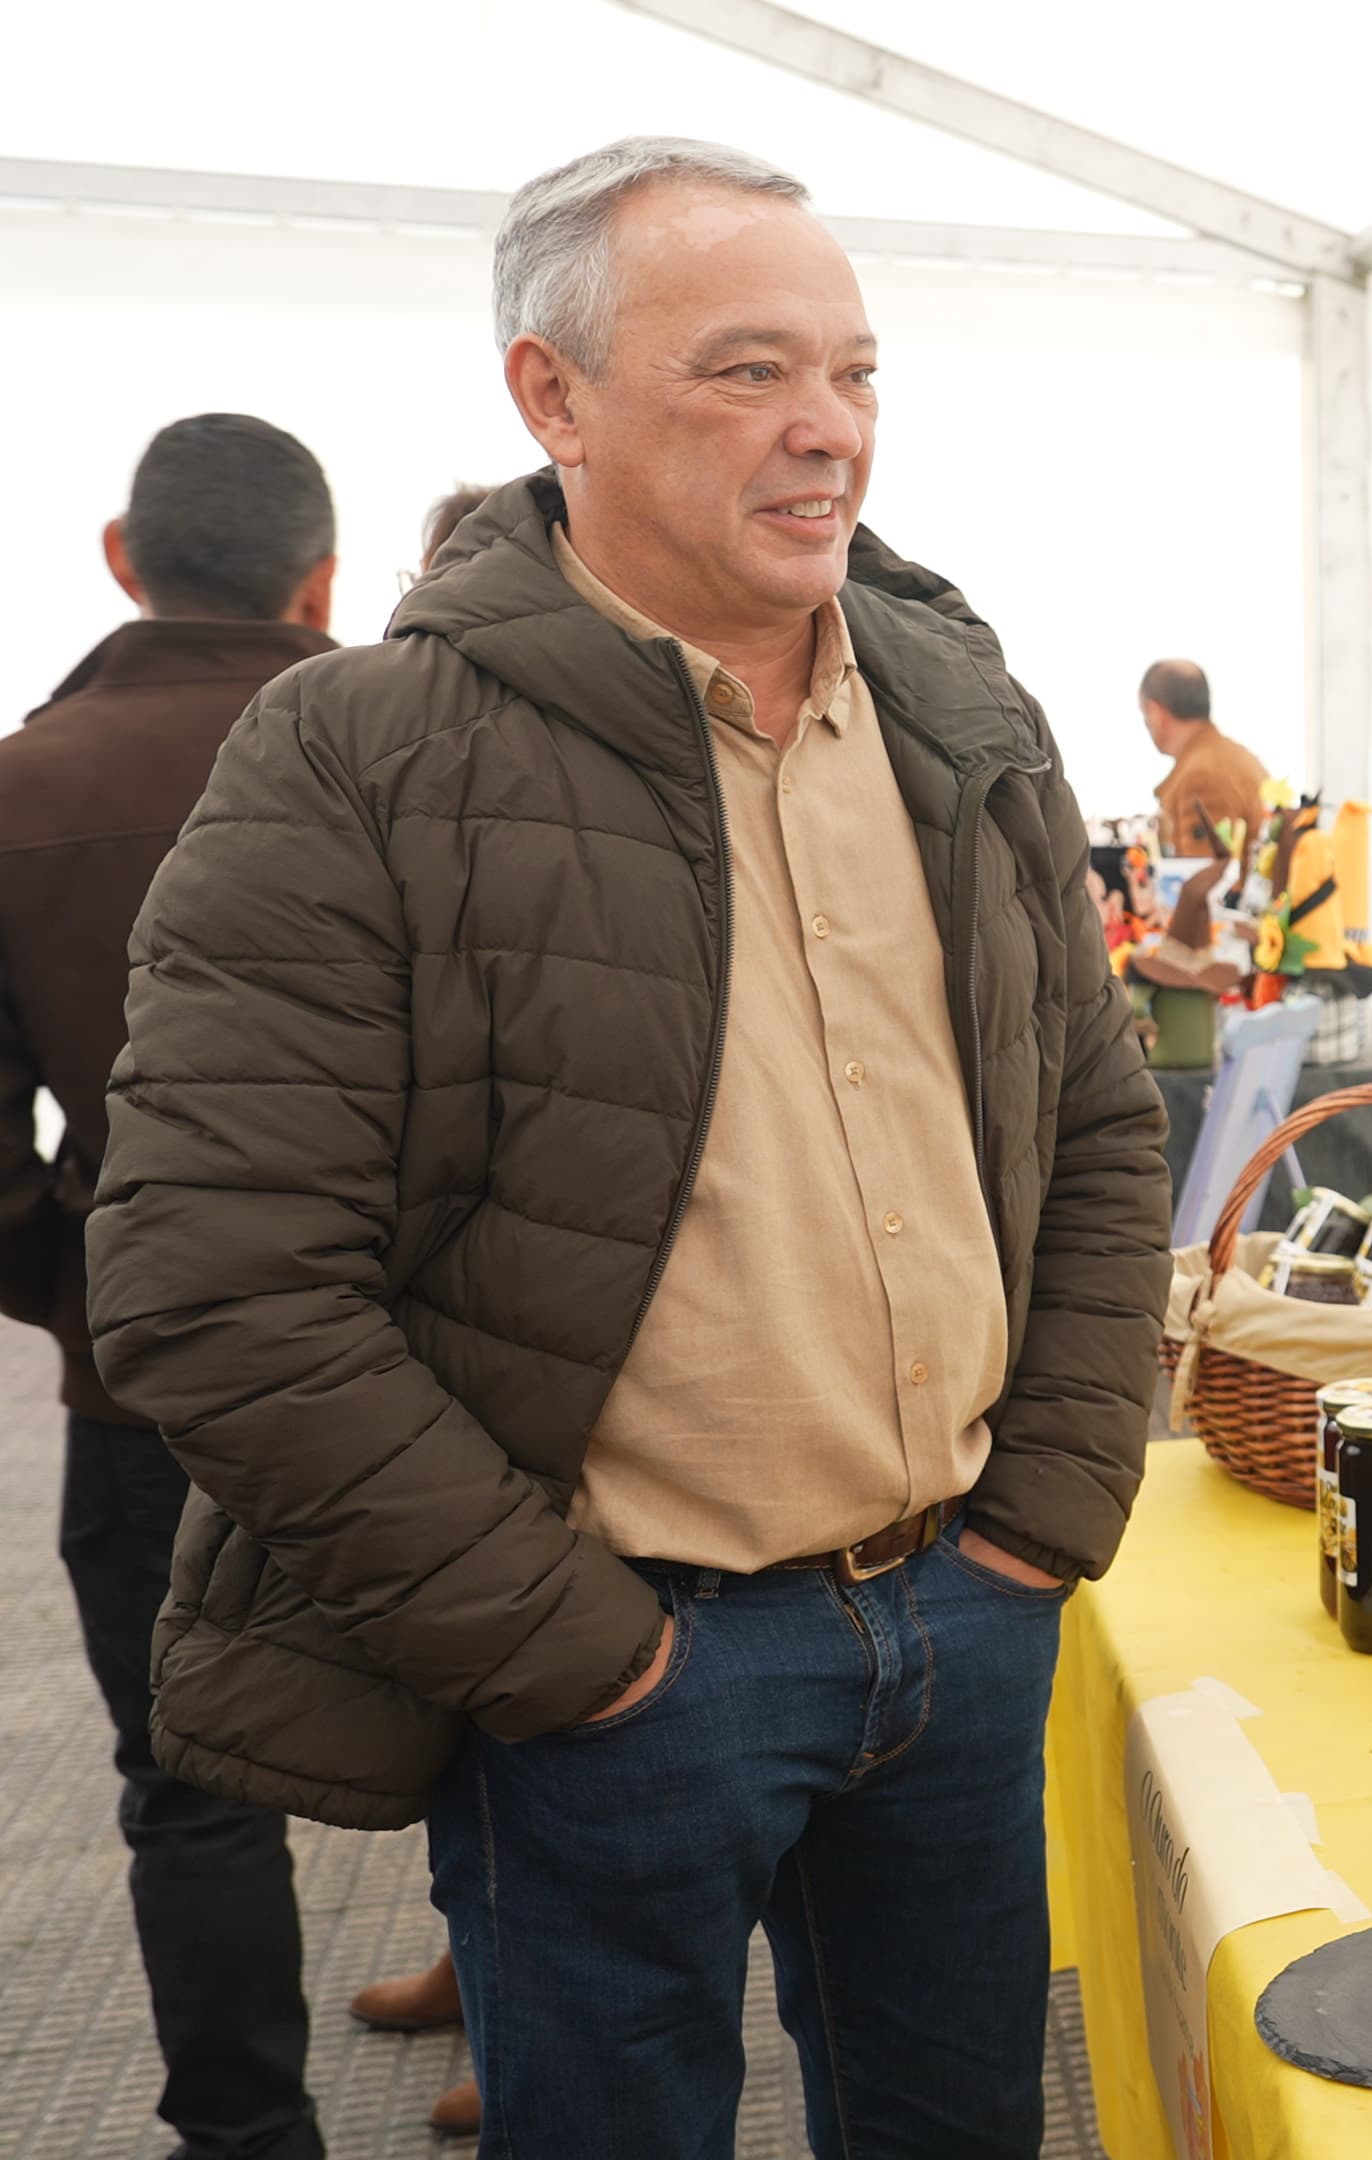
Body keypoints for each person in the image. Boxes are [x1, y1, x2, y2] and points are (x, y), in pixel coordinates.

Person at [84, 135, 1168, 2159]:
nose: (826, 431)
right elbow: (212, 1281)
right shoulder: (361, 754)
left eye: (855, 374)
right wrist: (581, 1659)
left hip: (963, 1605)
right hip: (630, 1665)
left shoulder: (953, 698)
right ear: (551, 397)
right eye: (749, 373)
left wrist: (1043, 1514)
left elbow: (1096, 1118)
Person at [1, 415, 336, 2160]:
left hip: (153, 1375)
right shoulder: (416, 747)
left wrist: (85, 1280)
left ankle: (251, 2137)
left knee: (189, 1790)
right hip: (437, 1365)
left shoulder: (23, 783)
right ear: (326, 577)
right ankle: (529, 2061)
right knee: (529, 1731)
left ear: (125, 561)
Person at [335, 482, 519, 2147]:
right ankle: (479, 1969)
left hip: (529, 1392)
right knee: (447, 1723)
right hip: (410, 1371)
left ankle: (507, 2006)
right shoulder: (362, 766)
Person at [1140, 655, 1270, 857]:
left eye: (1144, 713)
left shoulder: (1200, 778)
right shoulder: (1233, 756)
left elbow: (1204, 876)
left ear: (1154, 712)